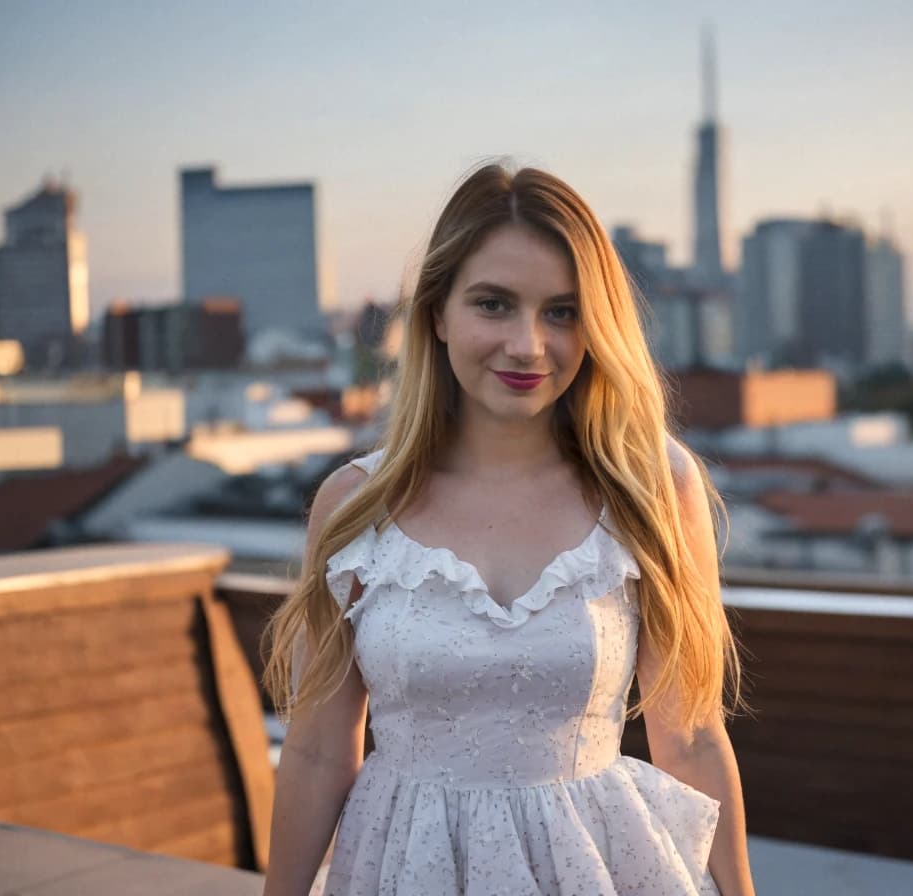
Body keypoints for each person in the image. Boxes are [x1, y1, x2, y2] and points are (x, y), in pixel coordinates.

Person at [261, 162, 756, 896]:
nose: (528, 345)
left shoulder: (652, 488)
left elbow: (690, 736)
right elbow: (316, 753)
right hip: (403, 872)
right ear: (436, 313)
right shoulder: (354, 506)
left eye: (561, 311)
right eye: (493, 305)